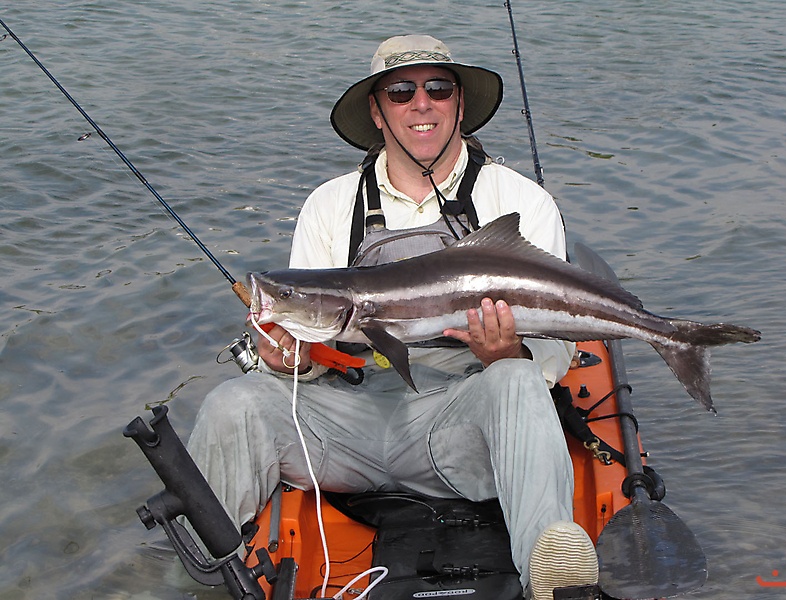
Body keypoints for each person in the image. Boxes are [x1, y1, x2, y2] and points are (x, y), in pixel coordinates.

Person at [187, 35, 598, 599]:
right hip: (348, 420)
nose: (420, 104)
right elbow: (308, 327)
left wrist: (508, 353)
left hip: (460, 425)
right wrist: (290, 362)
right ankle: (195, 577)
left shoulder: (520, 200)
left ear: (459, 103)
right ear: (377, 112)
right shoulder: (330, 205)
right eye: (401, 91)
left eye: (438, 88)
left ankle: (553, 578)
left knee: (519, 381)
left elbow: (558, 344)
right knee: (233, 401)